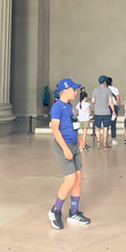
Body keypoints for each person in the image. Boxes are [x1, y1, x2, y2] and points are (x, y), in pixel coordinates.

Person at [48, 78, 90, 230]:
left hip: (73, 145)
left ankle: (73, 212)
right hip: (63, 146)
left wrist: (79, 140)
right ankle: (56, 210)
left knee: (78, 178)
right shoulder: (57, 107)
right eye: (74, 89)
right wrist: (65, 148)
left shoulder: (69, 106)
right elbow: (55, 129)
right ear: (65, 90)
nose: (76, 92)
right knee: (70, 179)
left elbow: (72, 126)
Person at [90, 76, 115, 149]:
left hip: (97, 112)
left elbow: (93, 101)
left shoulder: (95, 90)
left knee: (97, 127)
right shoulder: (108, 90)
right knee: (105, 128)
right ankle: (104, 143)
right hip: (106, 112)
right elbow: (111, 102)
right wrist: (113, 111)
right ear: (104, 82)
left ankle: (98, 141)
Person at [107, 77, 120, 144]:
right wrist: (118, 105)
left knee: (106, 123)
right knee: (113, 123)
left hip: (106, 107)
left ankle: (105, 139)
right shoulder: (115, 89)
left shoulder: (104, 89)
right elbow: (117, 98)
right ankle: (113, 139)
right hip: (114, 106)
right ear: (111, 82)